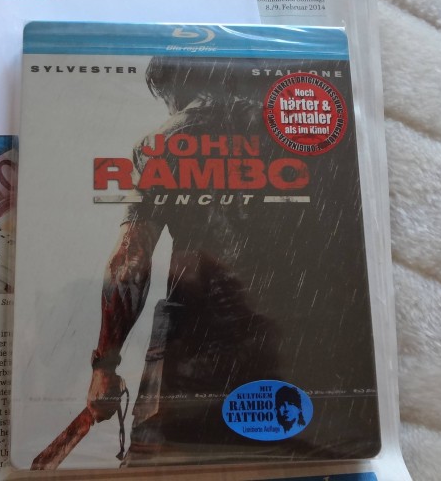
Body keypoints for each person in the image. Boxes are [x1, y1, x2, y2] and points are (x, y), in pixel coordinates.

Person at [85, 56, 289, 465]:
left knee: (159, 465)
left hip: (194, 348)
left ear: (168, 88)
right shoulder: (287, 129)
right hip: (293, 342)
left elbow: (130, 260)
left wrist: (105, 365)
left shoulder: (165, 144)